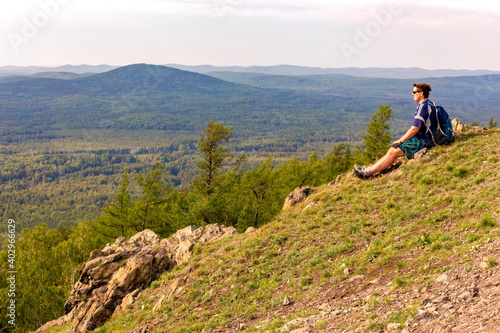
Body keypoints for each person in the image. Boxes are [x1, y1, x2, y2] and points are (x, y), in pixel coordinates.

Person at [354, 83, 436, 179]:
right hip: (426, 137)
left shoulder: (424, 107)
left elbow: (415, 128)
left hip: (425, 140)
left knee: (394, 151)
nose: (412, 94)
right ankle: (367, 169)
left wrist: (400, 141)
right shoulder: (429, 104)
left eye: (414, 92)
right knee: (392, 150)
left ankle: (366, 174)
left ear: (421, 93)